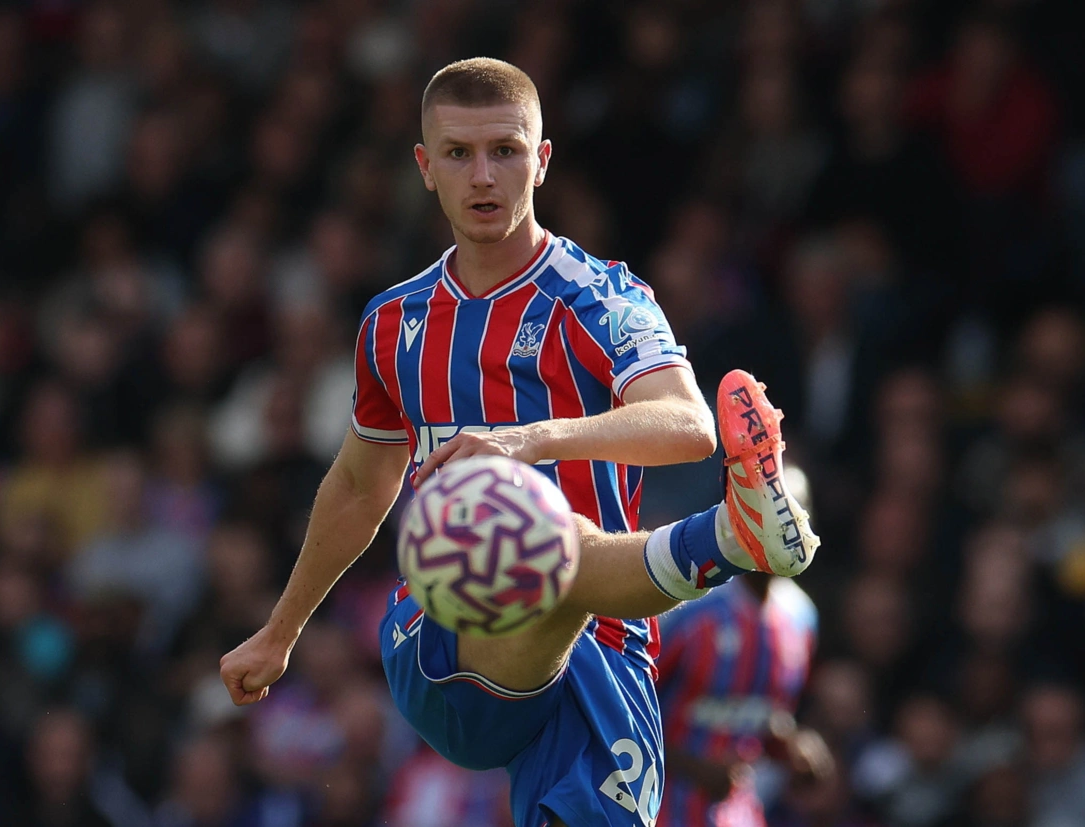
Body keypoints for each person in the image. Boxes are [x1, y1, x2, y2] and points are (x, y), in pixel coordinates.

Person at [220, 57, 820, 827]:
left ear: (541, 160)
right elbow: (360, 486)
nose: (483, 174)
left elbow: (688, 425)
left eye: (505, 150)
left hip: (602, 646)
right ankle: (732, 537)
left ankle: (733, 535)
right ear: (424, 167)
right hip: (445, 632)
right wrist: (281, 632)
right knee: (536, 533)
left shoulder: (602, 295)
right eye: (459, 153)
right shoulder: (394, 323)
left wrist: (524, 441)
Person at [656, 568, 831, 827]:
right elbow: (625, 709)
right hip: (658, 807)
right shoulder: (685, 605)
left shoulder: (800, 616)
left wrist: (792, 746)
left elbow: (767, 716)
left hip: (740, 813)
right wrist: (692, 766)